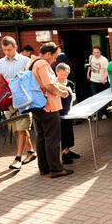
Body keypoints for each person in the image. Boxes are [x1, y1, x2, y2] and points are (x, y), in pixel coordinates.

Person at [0, 36, 36, 170]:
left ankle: (17, 159)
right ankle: (31, 152)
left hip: (22, 101)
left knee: (21, 130)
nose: (6, 53)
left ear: (15, 47)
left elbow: (31, 81)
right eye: (4, 50)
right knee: (18, 129)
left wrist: (13, 80)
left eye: (9, 50)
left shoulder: (25, 61)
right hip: (6, 102)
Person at [28, 42, 73, 178]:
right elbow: (48, 84)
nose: (55, 60)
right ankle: (56, 169)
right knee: (52, 139)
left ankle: (44, 168)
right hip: (48, 106)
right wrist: (62, 92)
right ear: (48, 54)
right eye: (55, 57)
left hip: (36, 106)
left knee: (41, 138)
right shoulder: (42, 64)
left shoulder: (31, 63)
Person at [55, 62, 80, 165]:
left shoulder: (70, 83)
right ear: (57, 73)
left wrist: (72, 93)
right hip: (59, 112)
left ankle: (68, 150)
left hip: (68, 111)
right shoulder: (55, 83)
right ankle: (64, 154)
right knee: (63, 133)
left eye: (65, 74)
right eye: (61, 74)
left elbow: (73, 94)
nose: (63, 77)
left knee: (69, 131)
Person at [87, 46, 109, 119]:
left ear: (100, 52)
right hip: (93, 80)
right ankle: (96, 115)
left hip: (102, 82)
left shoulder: (104, 60)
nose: (96, 54)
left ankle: (104, 113)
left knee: (102, 98)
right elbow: (90, 66)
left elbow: (107, 71)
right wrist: (88, 73)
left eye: (97, 52)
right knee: (95, 98)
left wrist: (104, 78)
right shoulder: (91, 57)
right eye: (94, 52)